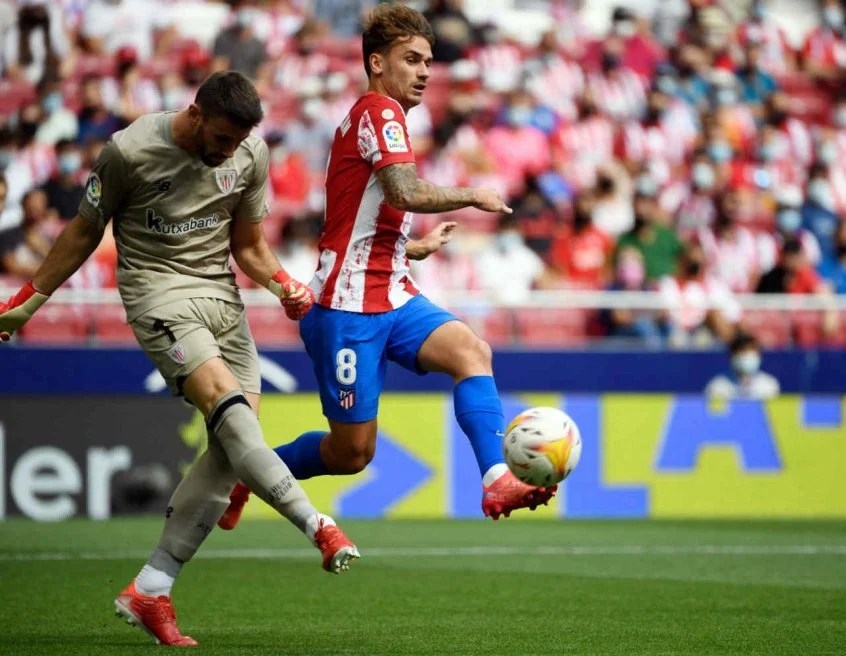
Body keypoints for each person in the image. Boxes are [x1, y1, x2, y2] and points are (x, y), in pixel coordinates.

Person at [0, 71, 359, 647]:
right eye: (220, 138)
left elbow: (247, 246)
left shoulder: (250, 153)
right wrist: (30, 299)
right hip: (157, 293)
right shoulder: (130, 151)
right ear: (195, 114)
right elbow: (84, 231)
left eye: (236, 142)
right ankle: (318, 525)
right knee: (227, 406)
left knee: (226, 450)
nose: (227, 152)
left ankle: (151, 588)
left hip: (222, 297)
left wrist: (283, 283)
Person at [219, 4, 557, 530]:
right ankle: (247, 473)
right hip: (345, 307)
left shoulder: (380, 118)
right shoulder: (379, 111)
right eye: (411, 59)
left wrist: (413, 248)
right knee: (351, 453)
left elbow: (364, 214)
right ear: (377, 63)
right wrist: (474, 194)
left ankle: (496, 480)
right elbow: (404, 190)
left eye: (428, 61)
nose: (424, 71)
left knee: (472, 351)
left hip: (392, 293)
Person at [705, 333, 780, 400]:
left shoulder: (769, 385)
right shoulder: (717, 386)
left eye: (751, 351)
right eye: (743, 351)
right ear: (732, 356)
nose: (747, 356)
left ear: (759, 355)